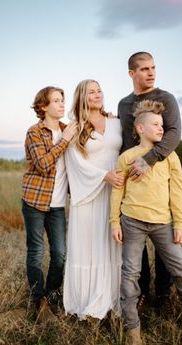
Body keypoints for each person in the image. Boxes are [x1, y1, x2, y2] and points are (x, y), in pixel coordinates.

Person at [110, 99, 182, 345]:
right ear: (140, 128)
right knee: (130, 274)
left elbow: (177, 192)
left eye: (162, 124)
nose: (161, 128)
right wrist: (114, 222)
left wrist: (181, 223)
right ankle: (132, 328)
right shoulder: (127, 157)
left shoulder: (170, 157)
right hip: (132, 222)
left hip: (163, 223)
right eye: (155, 124)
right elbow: (117, 193)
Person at [118, 51, 181, 315]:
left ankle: (164, 294)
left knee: (163, 234)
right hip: (133, 181)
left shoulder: (166, 98)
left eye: (153, 67)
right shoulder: (123, 104)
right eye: (144, 69)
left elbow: (174, 134)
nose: (151, 72)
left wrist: (148, 160)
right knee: (137, 240)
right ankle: (142, 292)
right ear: (131, 73)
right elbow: (123, 139)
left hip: (159, 176)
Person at [63, 79, 123, 320]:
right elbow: (74, 163)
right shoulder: (75, 127)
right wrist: (102, 176)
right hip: (89, 191)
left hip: (116, 189)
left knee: (112, 243)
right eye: (91, 92)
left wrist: (116, 177)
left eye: (99, 90)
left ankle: (112, 299)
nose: (97, 94)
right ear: (82, 97)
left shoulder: (117, 122)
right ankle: (87, 301)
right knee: (88, 243)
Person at [22, 86, 77, 322]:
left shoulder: (69, 130)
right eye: (56, 100)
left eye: (63, 99)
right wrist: (64, 142)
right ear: (44, 107)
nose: (62, 104)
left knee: (60, 254)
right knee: (36, 252)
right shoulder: (34, 132)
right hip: (34, 200)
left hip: (57, 205)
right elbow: (43, 164)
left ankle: (52, 298)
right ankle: (39, 300)